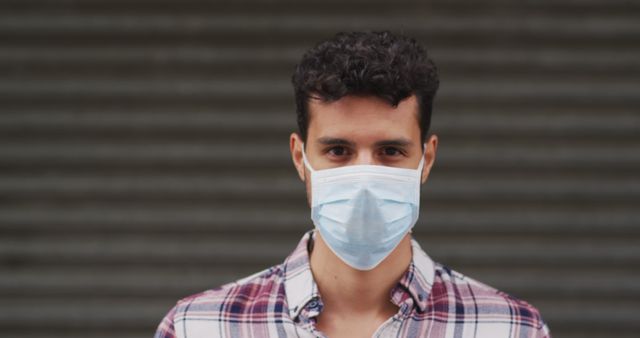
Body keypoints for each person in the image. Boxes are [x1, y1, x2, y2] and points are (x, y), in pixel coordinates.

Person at [154, 31, 551, 338]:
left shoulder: (511, 328)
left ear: (426, 160)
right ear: (300, 158)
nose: (364, 177)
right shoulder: (200, 327)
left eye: (390, 151)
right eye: (339, 150)